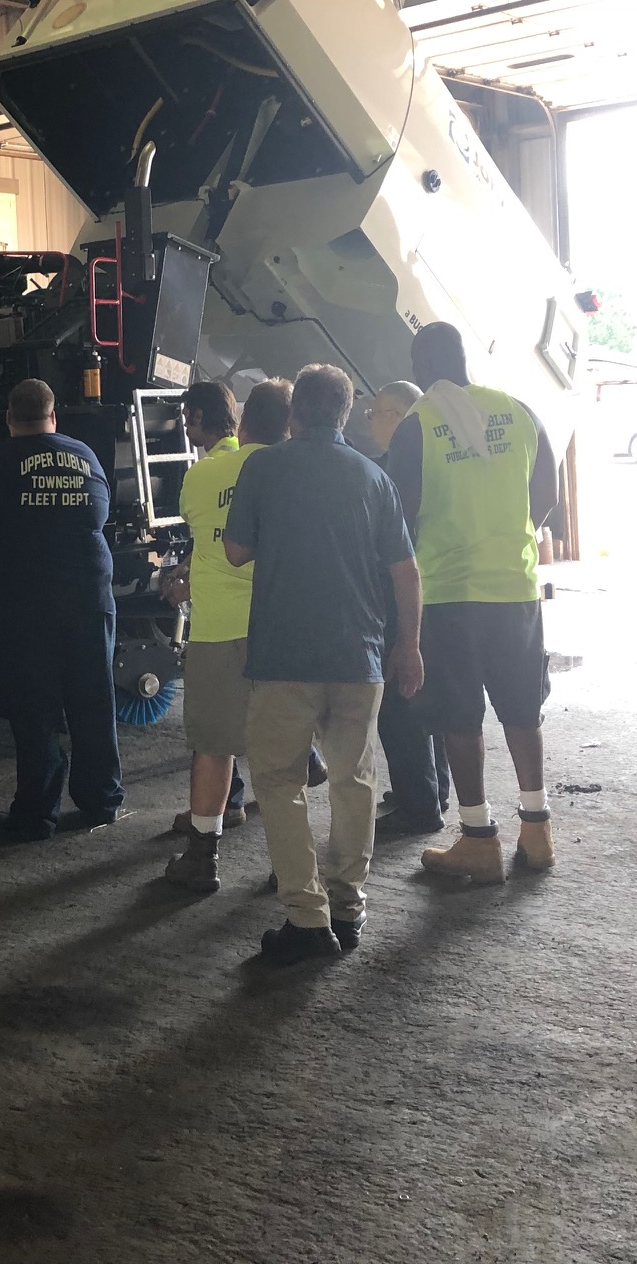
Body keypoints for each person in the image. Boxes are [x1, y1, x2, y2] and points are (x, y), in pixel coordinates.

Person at [222, 364, 423, 963]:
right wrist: (408, 645)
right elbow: (405, 571)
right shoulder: (373, 476)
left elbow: (236, 552)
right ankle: (348, 905)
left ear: (293, 414)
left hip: (285, 655)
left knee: (280, 783)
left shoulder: (264, 466)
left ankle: (307, 918)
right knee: (354, 779)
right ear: (344, 412)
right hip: (360, 655)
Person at [0, 362, 125, 839]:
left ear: (10, 418)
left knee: (35, 712)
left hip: (26, 606)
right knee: (93, 700)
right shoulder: (87, 457)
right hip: (90, 599)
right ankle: (101, 800)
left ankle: (35, 814)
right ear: (54, 418)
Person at [384, 323, 557, 883]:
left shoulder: (418, 427)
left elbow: (398, 518)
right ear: (465, 360)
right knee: (522, 710)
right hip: (515, 587)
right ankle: (537, 831)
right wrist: (509, 535)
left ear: (419, 367)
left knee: (460, 718)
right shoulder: (521, 412)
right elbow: (547, 496)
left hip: (451, 593)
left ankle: (478, 838)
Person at [159, 380, 293, 863]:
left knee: (214, 746)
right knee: (281, 752)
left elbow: (213, 547)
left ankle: (202, 857)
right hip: (277, 625)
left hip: (217, 628)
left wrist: (186, 575)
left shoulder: (200, 478)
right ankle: (289, 864)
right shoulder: (285, 472)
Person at [363, 380, 451, 838]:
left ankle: (419, 805)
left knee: (399, 704)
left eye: (374, 412)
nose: (370, 421)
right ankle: (432, 792)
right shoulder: (440, 459)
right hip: (440, 590)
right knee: (423, 695)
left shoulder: (387, 471)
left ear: (397, 417)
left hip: (400, 597)